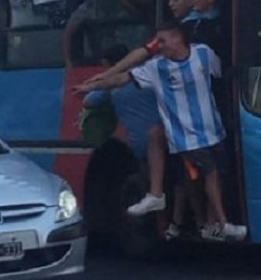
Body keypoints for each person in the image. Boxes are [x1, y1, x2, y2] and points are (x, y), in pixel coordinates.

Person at [76, 22, 247, 242]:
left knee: (198, 180)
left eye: (162, 41)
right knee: (209, 174)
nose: (158, 46)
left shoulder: (203, 54)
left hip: (214, 131)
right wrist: (93, 85)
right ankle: (220, 224)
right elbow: (123, 78)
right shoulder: (156, 68)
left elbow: (221, 75)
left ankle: (204, 224)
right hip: (186, 139)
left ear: (178, 39)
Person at [63, 0, 97, 68]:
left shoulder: (115, 4)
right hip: (99, 58)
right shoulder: (83, 10)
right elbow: (68, 33)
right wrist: (68, 60)